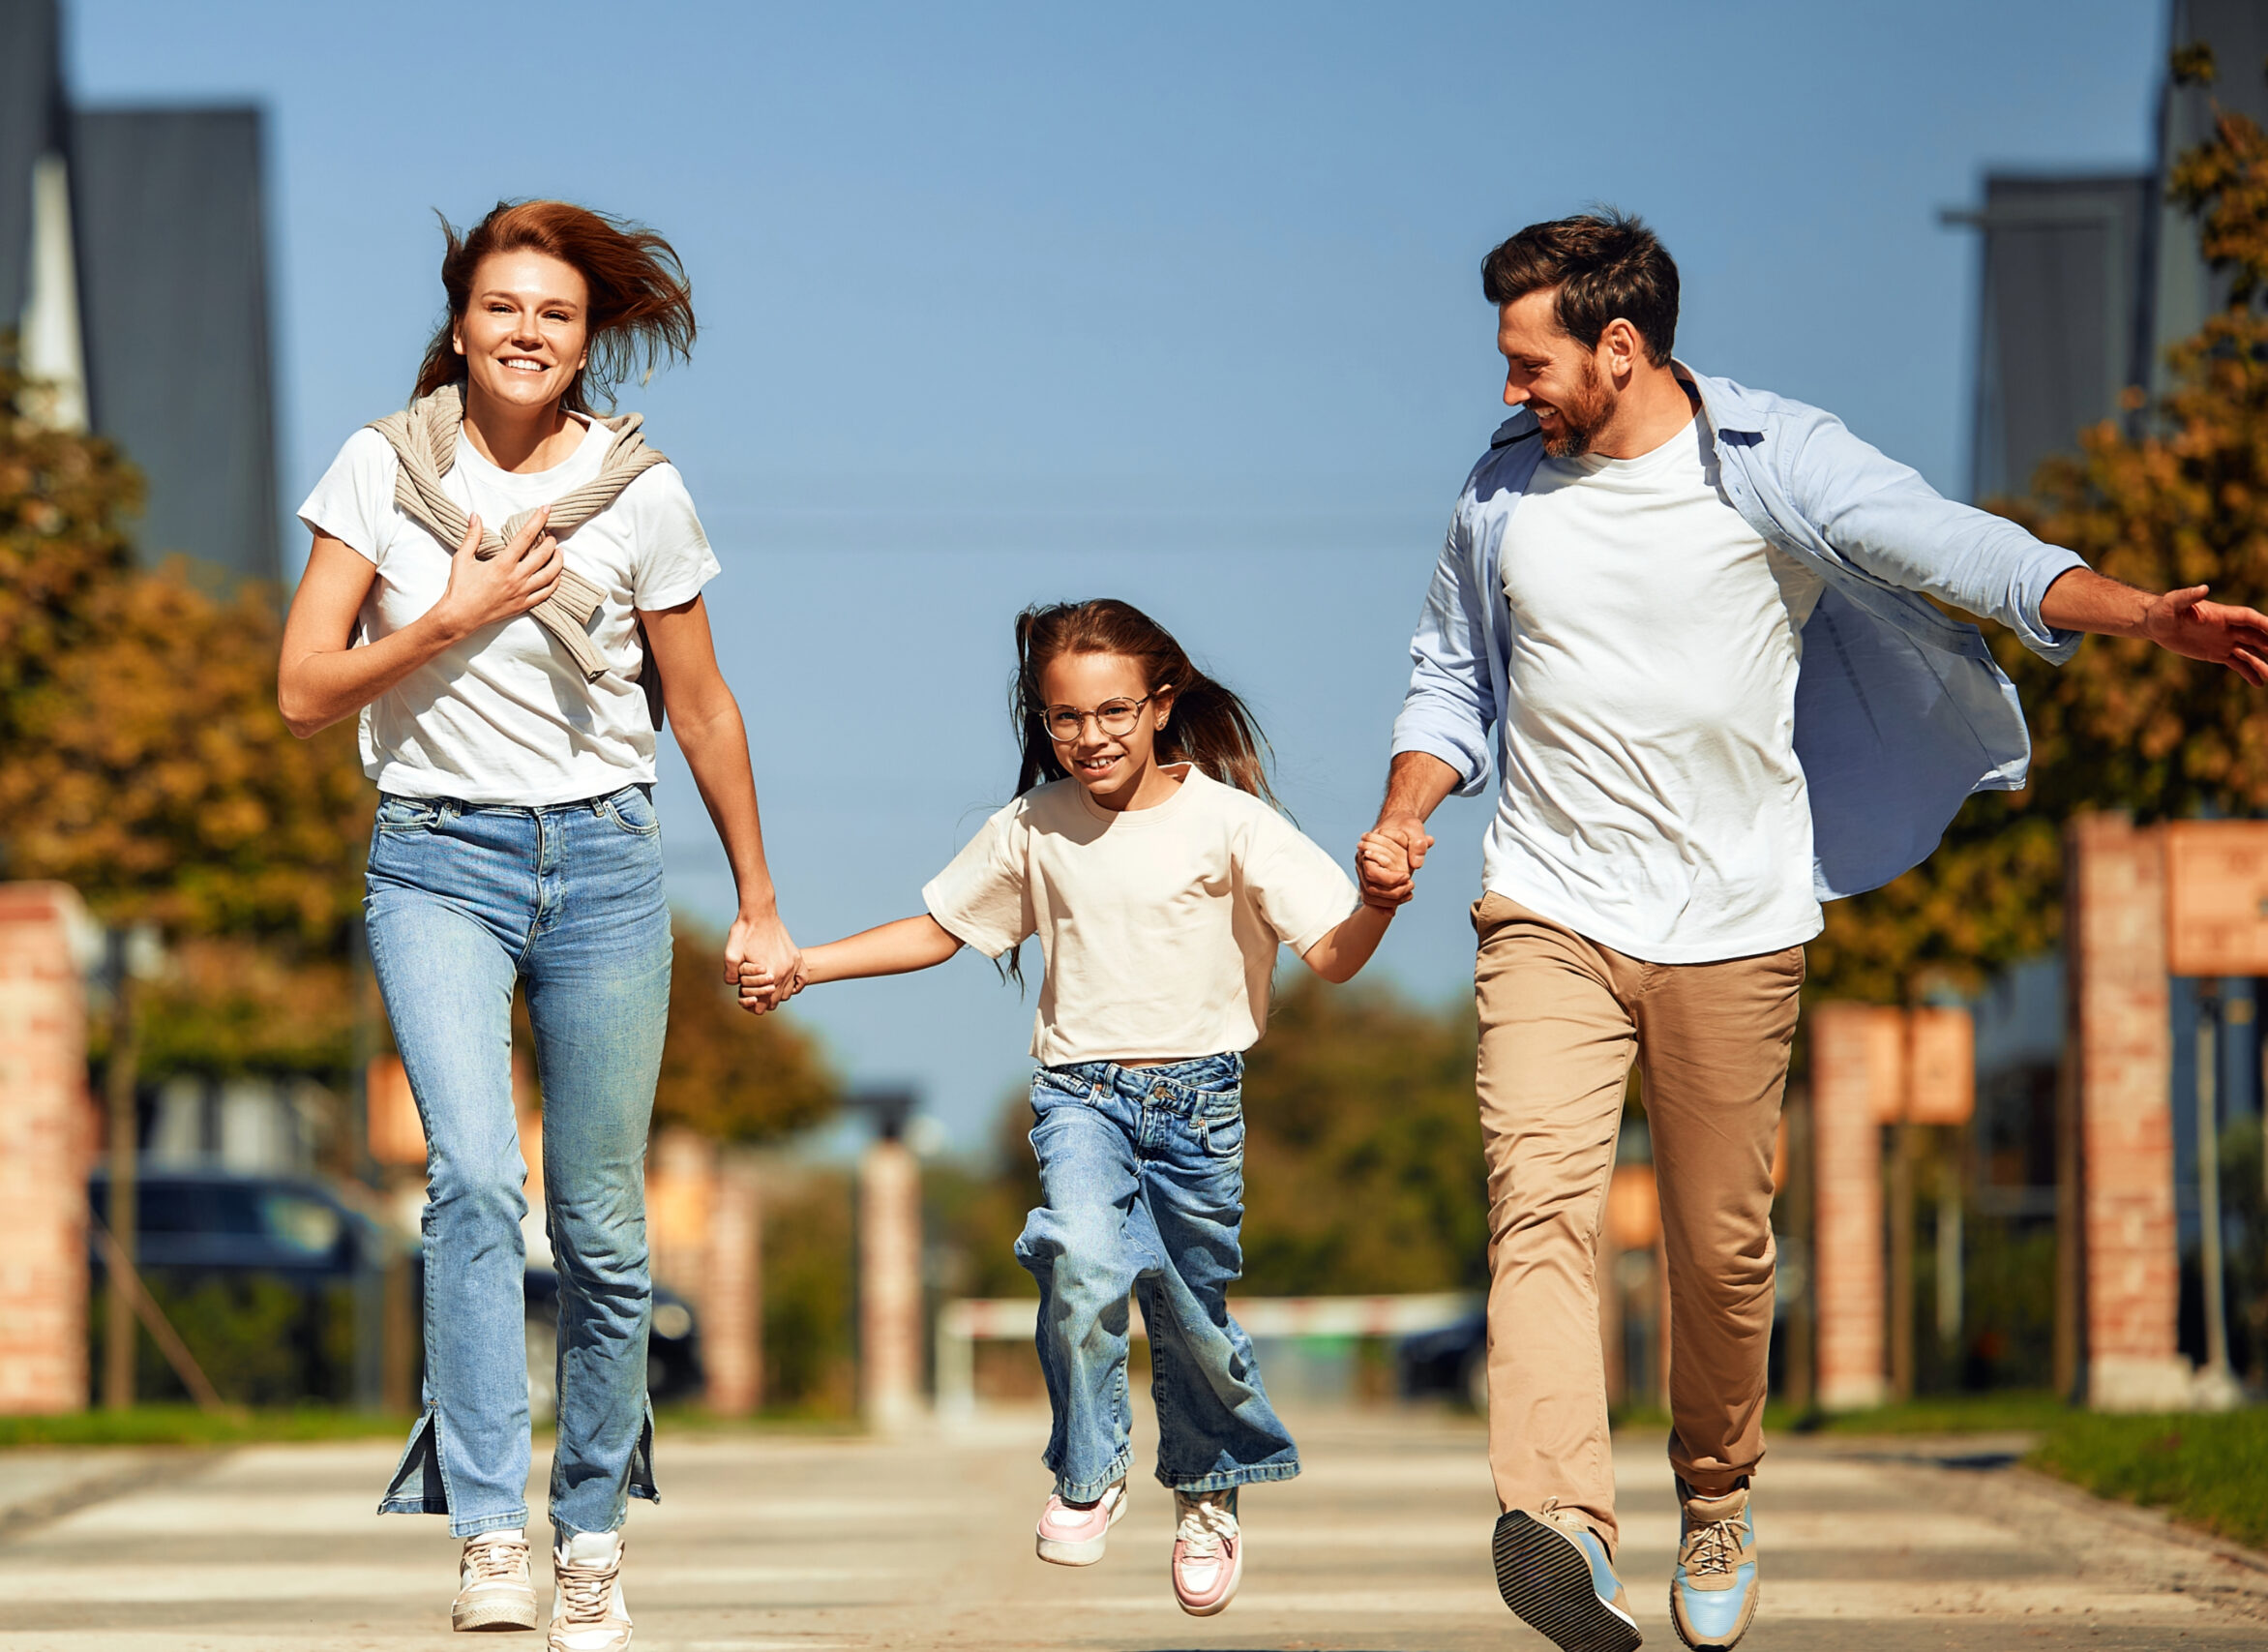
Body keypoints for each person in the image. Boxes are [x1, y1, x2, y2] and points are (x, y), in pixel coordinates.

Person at [1359, 211, 2268, 1652]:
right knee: (1536, 1205)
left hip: (1732, 915)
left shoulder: (1773, 460)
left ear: (1621, 345)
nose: (1510, 386)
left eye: (1531, 361)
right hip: (1549, 902)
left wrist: (2141, 614)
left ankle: (1714, 1495)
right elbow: (1446, 678)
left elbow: (1958, 548)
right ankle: (1563, 1526)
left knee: (1724, 1248)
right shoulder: (1500, 490)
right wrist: (1411, 805)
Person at [276, 199, 799, 1652]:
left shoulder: (642, 495)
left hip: (608, 866)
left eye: (555, 313)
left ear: (587, 341)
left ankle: (591, 1532)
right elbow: (306, 690)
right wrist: (449, 614)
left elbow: (700, 707)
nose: (526, 330)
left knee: (606, 1226)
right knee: (470, 1182)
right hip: (435, 854)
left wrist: (757, 901)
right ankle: (490, 1527)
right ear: (461, 322)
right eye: (503, 305)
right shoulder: (381, 470)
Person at [736, 598, 1404, 1617]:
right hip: (1079, 1098)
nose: (1089, 737)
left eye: (1112, 712)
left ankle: (1208, 1490)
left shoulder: (1229, 821)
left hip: (1199, 1103)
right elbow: (937, 930)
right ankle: (1088, 1474)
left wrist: (1380, 903)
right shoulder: (1033, 828)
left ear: (1160, 703)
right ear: (1041, 720)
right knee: (1080, 1258)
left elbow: (1335, 958)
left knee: (1189, 1313)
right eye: (1064, 718)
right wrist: (804, 967)